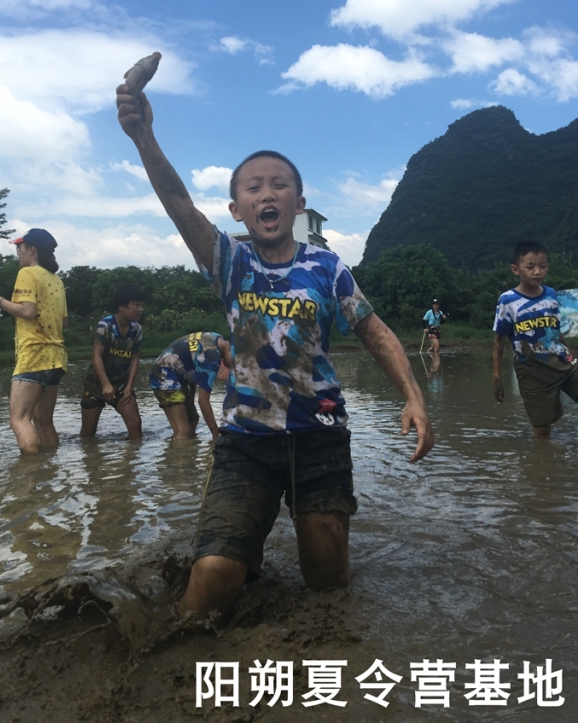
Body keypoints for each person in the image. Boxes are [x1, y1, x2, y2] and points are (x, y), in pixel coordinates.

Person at [116, 80, 434, 620]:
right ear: (237, 209)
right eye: (254, 188)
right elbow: (177, 204)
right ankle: (181, 661)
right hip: (247, 442)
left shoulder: (327, 268)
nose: (268, 194)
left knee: (328, 583)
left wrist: (414, 396)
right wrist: (144, 136)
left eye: (280, 185)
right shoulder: (230, 263)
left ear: (299, 203)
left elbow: (375, 331)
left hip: (321, 438)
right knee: (215, 574)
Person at [0, 228, 67, 454]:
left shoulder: (27, 273)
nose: (18, 252)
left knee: (18, 419)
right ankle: (49, 471)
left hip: (33, 355)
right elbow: (63, 322)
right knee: (44, 421)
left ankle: (30, 475)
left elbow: (27, 311)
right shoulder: (56, 280)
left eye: (20, 248)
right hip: (56, 357)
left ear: (32, 249)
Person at [493, 240, 578, 439]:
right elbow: (498, 340)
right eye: (530, 267)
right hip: (532, 372)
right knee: (541, 427)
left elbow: (555, 329)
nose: (537, 272)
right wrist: (496, 376)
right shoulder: (508, 300)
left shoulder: (550, 294)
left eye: (542, 266)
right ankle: (542, 463)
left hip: (562, 362)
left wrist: (570, 355)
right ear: (516, 269)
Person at [80, 284, 144, 442]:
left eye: (142, 305)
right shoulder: (105, 325)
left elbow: (135, 359)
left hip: (121, 384)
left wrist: (129, 387)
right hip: (96, 384)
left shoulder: (137, 329)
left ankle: (133, 463)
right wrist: (105, 384)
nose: (140, 309)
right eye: (136, 305)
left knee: (135, 425)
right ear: (122, 306)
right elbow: (96, 356)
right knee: (88, 434)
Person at [149, 332, 231, 440]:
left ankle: (186, 453)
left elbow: (192, 366)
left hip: (176, 376)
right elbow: (203, 401)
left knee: (193, 420)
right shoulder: (211, 358)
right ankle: (179, 452)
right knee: (183, 431)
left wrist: (190, 400)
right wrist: (216, 435)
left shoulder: (216, 337)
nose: (234, 367)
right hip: (163, 376)